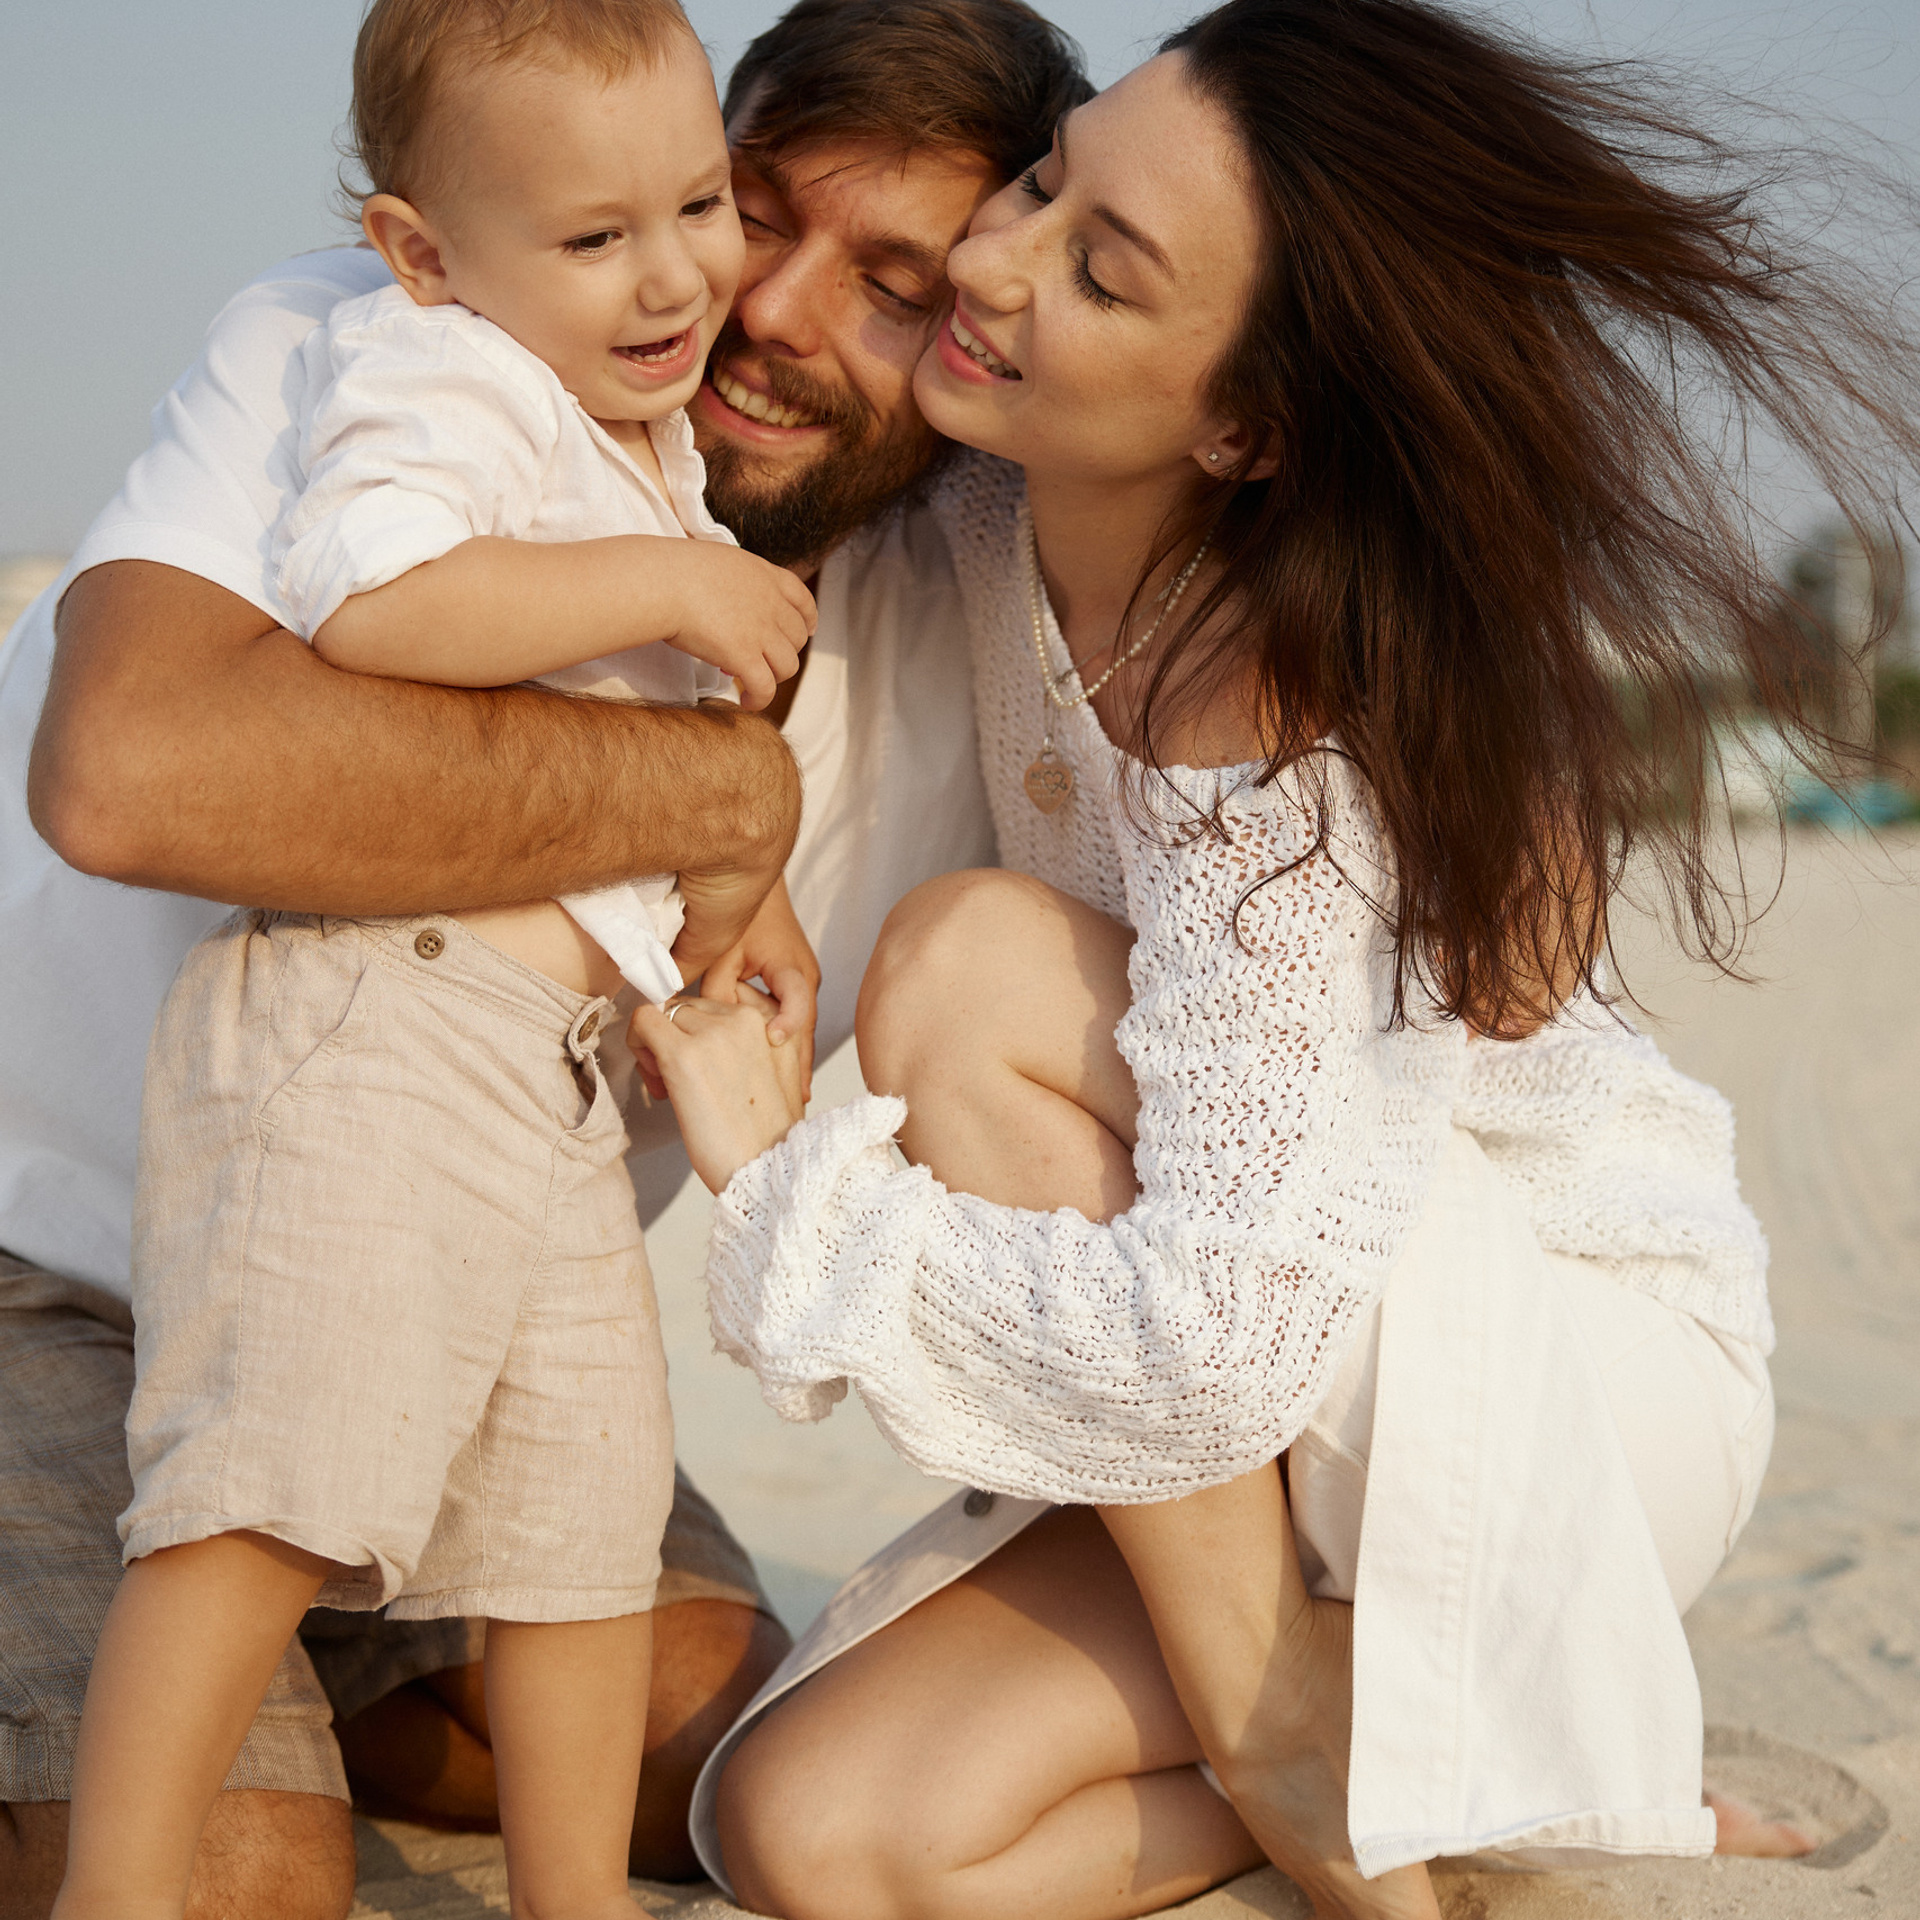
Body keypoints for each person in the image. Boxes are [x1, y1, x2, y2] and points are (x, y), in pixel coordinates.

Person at [634, 3, 1919, 1917]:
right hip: (1267, 1376)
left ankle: (1281, 1733)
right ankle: (1433, 1765)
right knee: (813, 1837)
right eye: (1050, 185)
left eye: (1098, 267)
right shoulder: (992, 497)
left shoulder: (1266, 686)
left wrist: (769, 1195)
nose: (992, 265)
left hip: (1533, 1361)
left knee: (972, 968)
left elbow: (1211, 1346)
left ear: (1242, 421)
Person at [2, 3, 1089, 1913]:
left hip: (472, 1273)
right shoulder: (380, 340)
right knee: (234, 1879)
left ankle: (284, 1689)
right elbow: (128, 769)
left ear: (984, 331)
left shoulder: (987, 591)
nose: (751, 304)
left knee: (702, 1731)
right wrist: (715, 794)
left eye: (896, 285)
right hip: (54, 1263)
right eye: (756, 211)